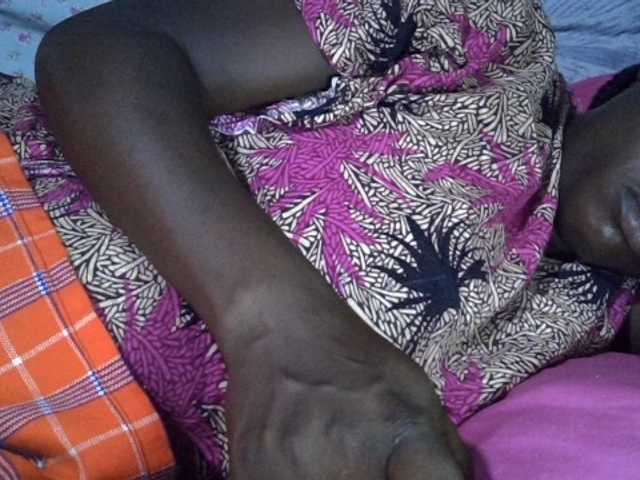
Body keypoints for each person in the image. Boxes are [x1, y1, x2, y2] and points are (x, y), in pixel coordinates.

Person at [10, 0, 636, 477]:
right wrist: (278, 329)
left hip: (83, 450)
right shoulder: (486, 40)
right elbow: (105, 51)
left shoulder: (597, 311)